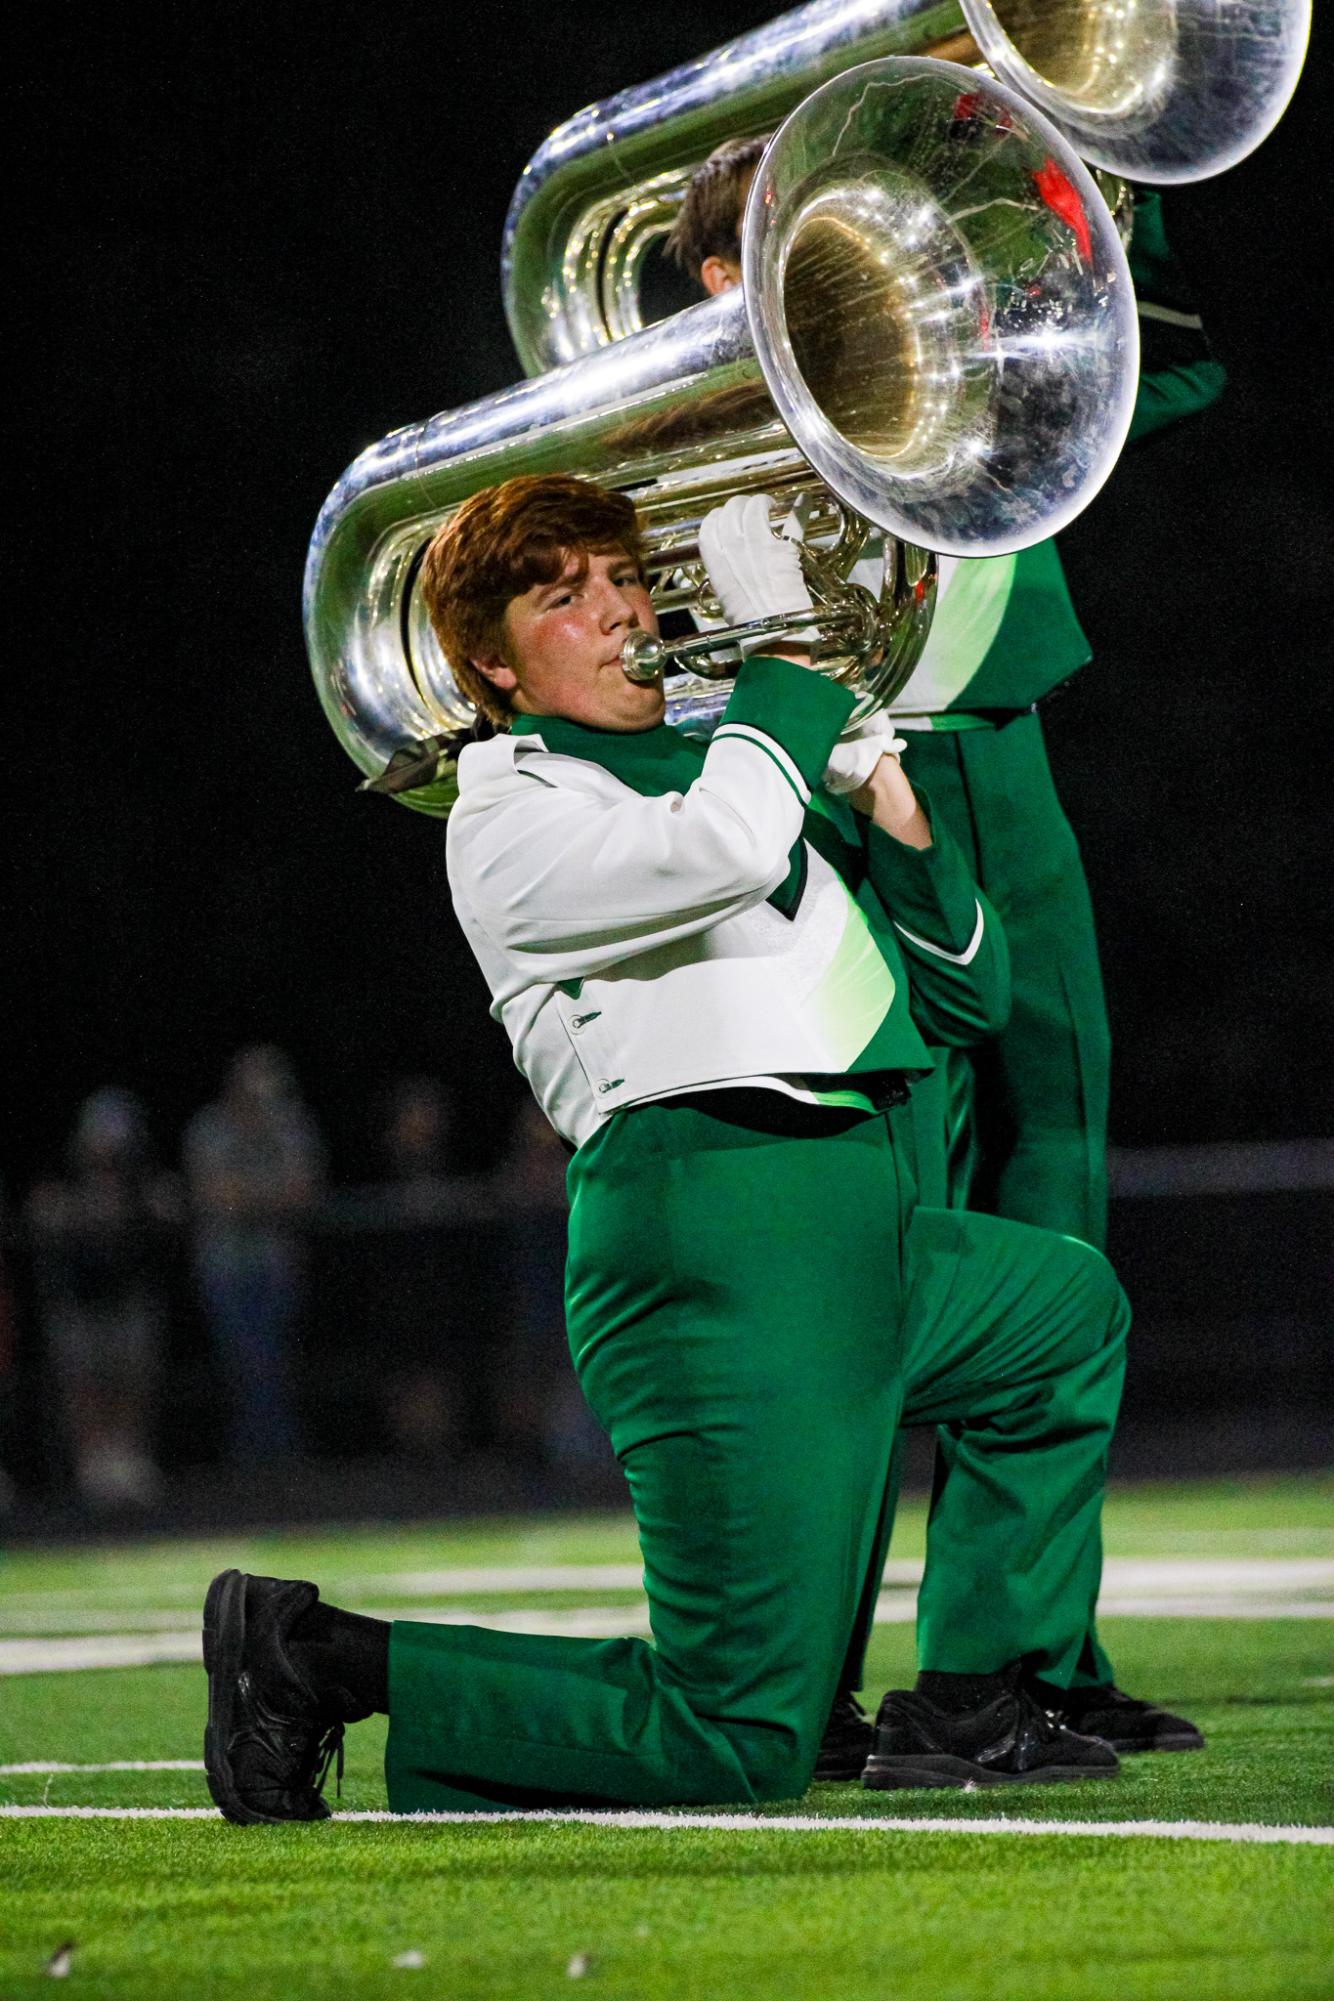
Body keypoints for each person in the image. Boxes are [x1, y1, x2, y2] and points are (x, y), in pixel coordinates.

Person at [203, 472, 1162, 1825]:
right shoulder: (509, 808)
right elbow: (714, 851)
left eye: (622, 578)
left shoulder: (736, 758)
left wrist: (884, 787)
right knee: (734, 1740)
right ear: (492, 662)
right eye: (564, 597)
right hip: (718, 1241)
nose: (621, 612)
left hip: (865, 1221)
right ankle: (314, 1657)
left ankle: (973, 1688)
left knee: (1062, 1313)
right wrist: (781, 677)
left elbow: (961, 998)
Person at [666, 137, 1220, 1763]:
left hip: (991, 742)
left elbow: (1145, 373)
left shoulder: (938, 355)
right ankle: (839, 1663)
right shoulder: (716, 426)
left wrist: (1091, 164)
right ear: (725, 282)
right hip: (860, 773)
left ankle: (1017, 1642)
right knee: (893, 1209)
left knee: (1047, 1197)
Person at [26, 1087, 179, 1509]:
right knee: (84, 1382)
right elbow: (42, 1211)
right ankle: (93, 1463)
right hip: (78, 1299)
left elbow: (168, 1207)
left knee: (133, 1377)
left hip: (129, 1296)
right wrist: (76, 1211)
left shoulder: (141, 1175)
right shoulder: (66, 1171)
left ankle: (128, 1458)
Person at [184, 1045, 325, 1465]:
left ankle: (272, 1454)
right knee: (240, 1358)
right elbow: (211, 1195)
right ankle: (254, 1453)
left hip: (276, 1262)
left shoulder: (291, 1127)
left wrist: (246, 1196)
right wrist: (263, 1197)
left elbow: (304, 1192)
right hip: (223, 1264)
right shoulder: (209, 1129)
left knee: (273, 1357)